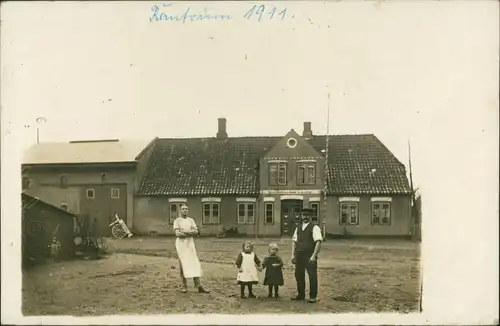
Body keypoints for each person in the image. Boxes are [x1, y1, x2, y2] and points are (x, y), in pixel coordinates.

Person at [173, 204, 209, 294]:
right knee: (183, 265)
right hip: (181, 245)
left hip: (190, 244)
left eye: (186, 209)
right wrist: (190, 233)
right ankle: (184, 286)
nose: (185, 210)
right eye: (183, 209)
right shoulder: (177, 221)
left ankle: (199, 286)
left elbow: (196, 232)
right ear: (180, 210)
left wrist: (184, 231)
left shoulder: (191, 220)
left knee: (194, 264)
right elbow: (177, 234)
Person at [290, 207, 323, 303]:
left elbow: (318, 242)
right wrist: (293, 255)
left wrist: (313, 256)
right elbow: (294, 241)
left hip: (309, 255)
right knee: (298, 275)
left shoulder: (315, 227)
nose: (305, 217)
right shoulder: (298, 227)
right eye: (304, 215)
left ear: (311, 216)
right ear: (301, 216)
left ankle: (313, 296)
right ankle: (301, 294)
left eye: (307, 215)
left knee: (312, 275)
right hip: (299, 255)